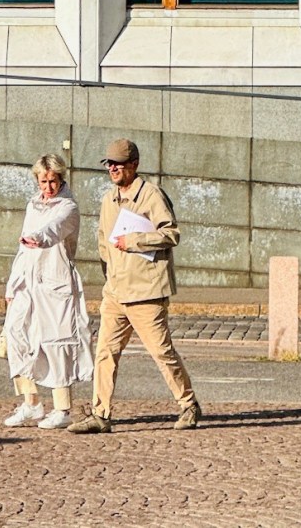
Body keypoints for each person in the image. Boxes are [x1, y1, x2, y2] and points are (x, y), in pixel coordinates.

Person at [69, 138, 201, 434]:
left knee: (162, 353)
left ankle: (189, 405)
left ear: (134, 165)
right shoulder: (108, 200)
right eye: (109, 164)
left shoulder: (151, 195)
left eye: (118, 164)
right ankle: (100, 414)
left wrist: (134, 241)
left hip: (146, 292)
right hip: (115, 292)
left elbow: (171, 234)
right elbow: (103, 242)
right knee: (105, 353)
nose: (113, 169)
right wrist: (109, 277)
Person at [1, 154, 93, 430]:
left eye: (53, 181)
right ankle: (30, 402)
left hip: (55, 282)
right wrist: (12, 284)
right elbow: (22, 250)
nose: (48, 187)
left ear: (61, 179)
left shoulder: (69, 207)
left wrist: (38, 238)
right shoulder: (33, 205)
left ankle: (62, 409)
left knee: (56, 343)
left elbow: (55, 228)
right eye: (43, 181)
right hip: (27, 281)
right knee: (16, 335)